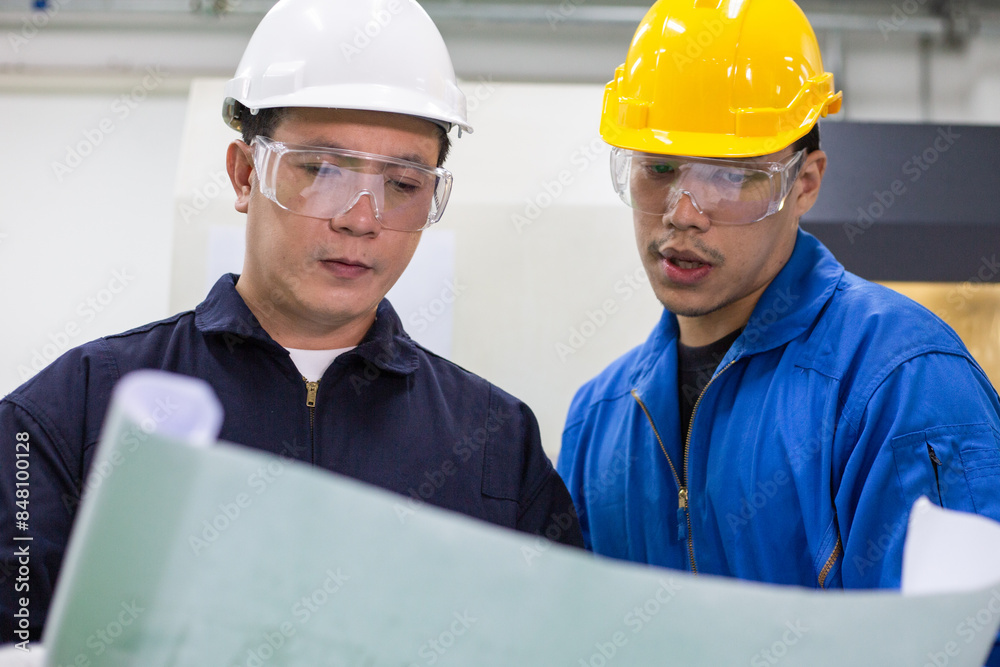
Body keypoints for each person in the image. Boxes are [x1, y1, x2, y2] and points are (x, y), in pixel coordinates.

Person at [0, 0, 582, 640]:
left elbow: (560, 641)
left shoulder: (496, 440)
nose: (362, 218)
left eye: (404, 184)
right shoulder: (74, 409)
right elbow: (14, 633)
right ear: (246, 173)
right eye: (323, 171)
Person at [557, 0, 1000, 662]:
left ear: (806, 183)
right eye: (658, 167)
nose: (683, 213)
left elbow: (959, 646)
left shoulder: (903, 383)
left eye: (731, 177)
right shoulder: (600, 417)